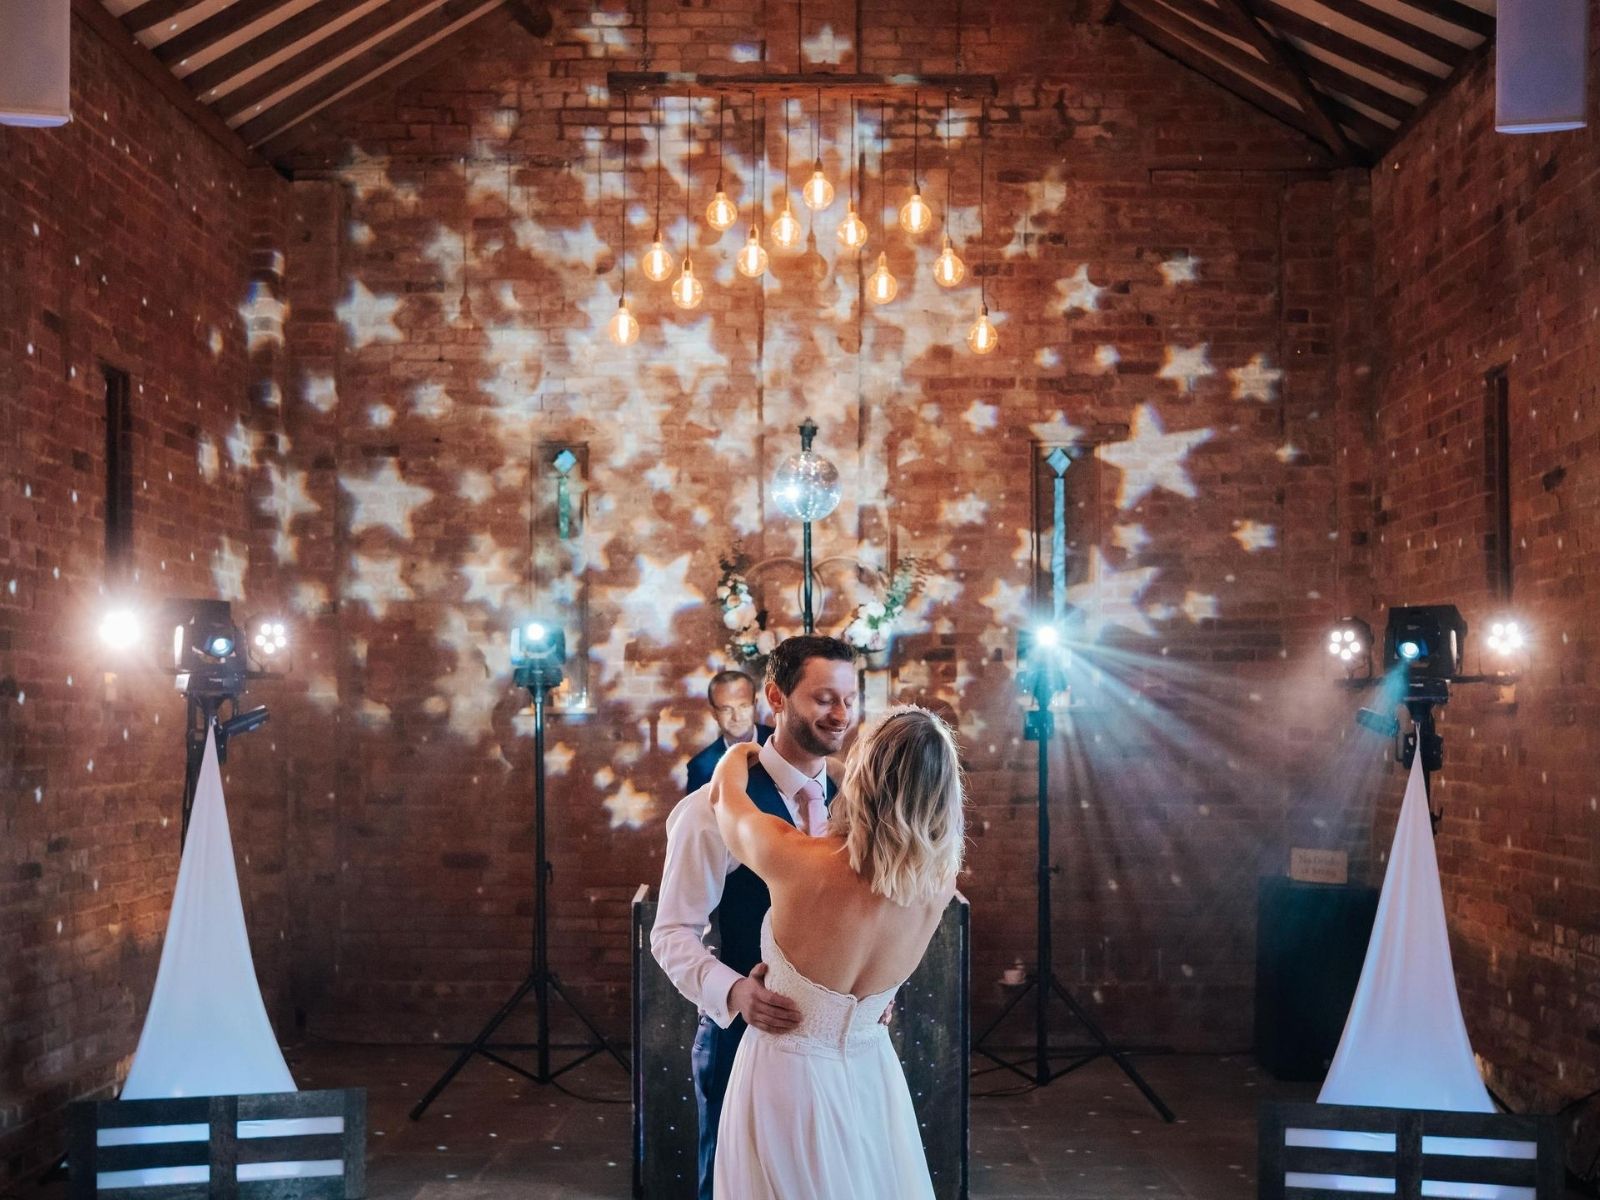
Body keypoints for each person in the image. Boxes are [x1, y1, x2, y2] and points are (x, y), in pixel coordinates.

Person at [709, 705, 965, 1199]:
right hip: (873, 1075)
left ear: (865, 777)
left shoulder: (799, 860)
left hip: (788, 1076)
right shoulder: (937, 883)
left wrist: (742, 750)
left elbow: (725, 798)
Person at [651, 636, 859, 1200]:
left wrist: (875, 990)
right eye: (823, 699)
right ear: (776, 698)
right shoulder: (710, 807)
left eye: (849, 698)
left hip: (843, 1051)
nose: (840, 715)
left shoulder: (859, 803)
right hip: (744, 1039)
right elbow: (670, 932)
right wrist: (736, 992)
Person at [684, 669, 775, 794]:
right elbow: (697, 813)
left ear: (755, 704)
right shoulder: (700, 768)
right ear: (713, 713)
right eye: (726, 709)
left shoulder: (783, 743)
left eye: (743, 706)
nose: (736, 717)